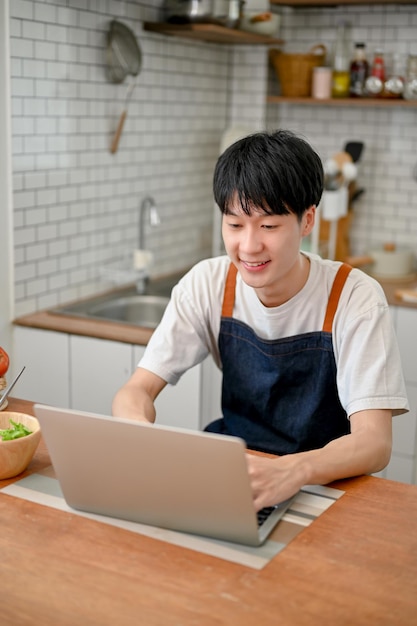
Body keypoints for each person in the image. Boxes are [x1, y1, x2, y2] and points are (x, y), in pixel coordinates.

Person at [112, 129, 408, 512]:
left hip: (326, 486)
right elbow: (135, 391)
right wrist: (141, 436)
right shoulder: (209, 283)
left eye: (268, 226)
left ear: (307, 221)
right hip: (235, 477)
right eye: (234, 225)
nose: (248, 246)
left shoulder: (354, 297)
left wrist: (294, 470)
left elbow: (374, 443)